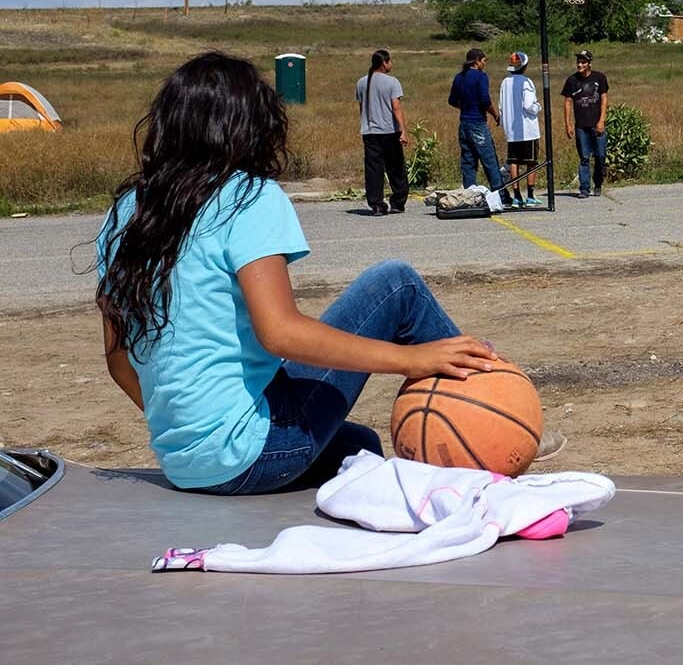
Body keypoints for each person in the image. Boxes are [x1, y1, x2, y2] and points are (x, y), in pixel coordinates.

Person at [94, 52, 510, 496]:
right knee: (397, 284)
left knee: (359, 445)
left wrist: (193, 436)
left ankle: (477, 427)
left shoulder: (126, 214)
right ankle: (500, 415)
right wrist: (413, 359)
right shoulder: (245, 195)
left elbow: (118, 359)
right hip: (251, 452)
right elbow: (280, 333)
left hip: (185, 463)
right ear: (250, 124)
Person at [355, 48, 408, 216]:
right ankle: (398, 201)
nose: (391, 64)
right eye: (389, 61)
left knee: (374, 169)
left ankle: (376, 204)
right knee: (396, 167)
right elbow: (396, 107)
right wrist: (403, 130)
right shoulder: (392, 82)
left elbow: (362, 107)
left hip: (370, 132)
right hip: (389, 130)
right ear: (384, 63)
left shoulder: (362, 82)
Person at [448, 48, 504, 191]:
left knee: (468, 160)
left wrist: (466, 107)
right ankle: (500, 193)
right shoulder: (481, 76)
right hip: (477, 122)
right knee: (489, 159)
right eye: (484, 60)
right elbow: (485, 100)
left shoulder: (459, 77)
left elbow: (452, 100)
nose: (485, 64)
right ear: (477, 61)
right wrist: (495, 114)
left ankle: (469, 192)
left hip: (464, 124)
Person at [561, 50, 610, 199]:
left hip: (596, 124)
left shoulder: (599, 78)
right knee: (584, 157)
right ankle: (584, 188)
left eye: (583, 62)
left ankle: (598, 183)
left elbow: (604, 98)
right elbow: (568, 102)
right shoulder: (572, 81)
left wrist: (601, 120)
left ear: (589, 64)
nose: (580, 65)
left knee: (600, 156)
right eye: (578, 62)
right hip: (581, 125)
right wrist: (568, 124)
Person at [499, 51, 543, 209]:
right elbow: (528, 105)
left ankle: (516, 195)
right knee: (531, 162)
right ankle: (530, 195)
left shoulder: (505, 82)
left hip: (511, 130)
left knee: (514, 162)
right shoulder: (526, 82)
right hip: (527, 129)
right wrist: (538, 107)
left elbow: (501, 107)